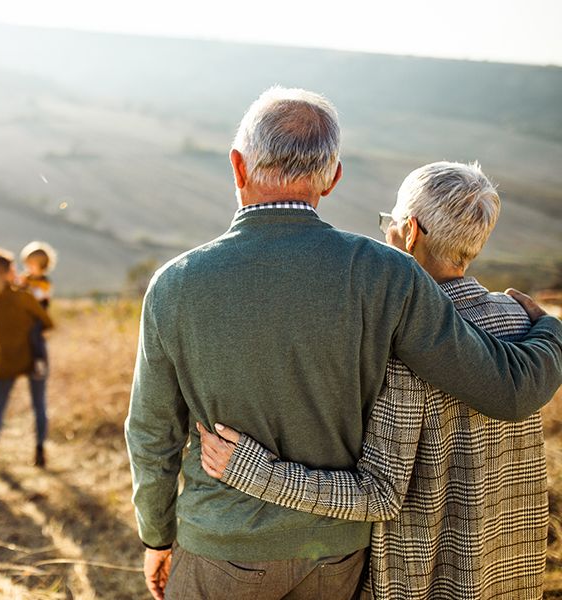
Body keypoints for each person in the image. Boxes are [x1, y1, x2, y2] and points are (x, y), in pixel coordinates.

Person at [124, 87, 562, 600]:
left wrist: (157, 536)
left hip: (221, 547)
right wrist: (548, 328)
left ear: (237, 167)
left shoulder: (176, 283)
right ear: (333, 177)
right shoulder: (386, 274)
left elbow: (153, 433)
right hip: (337, 555)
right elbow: (499, 385)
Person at [199, 161, 551, 599]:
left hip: (425, 580)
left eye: (389, 223)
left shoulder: (400, 345)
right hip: (510, 572)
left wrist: (257, 472)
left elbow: (381, 495)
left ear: (409, 231)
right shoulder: (520, 320)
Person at [0, 247, 53, 468]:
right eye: (12, 268)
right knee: (39, 405)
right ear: (5, 273)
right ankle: (39, 451)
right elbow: (47, 321)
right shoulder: (23, 297)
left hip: (5, 356)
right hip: (34, 355)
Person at [16, 241, 57, 380]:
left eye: (31, 265)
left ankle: (39, 361)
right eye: (27, 264)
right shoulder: (26, 278)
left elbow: (39, 296)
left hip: (38, 315)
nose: (28, 268)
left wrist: (27, 289)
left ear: (42, 266)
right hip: (26, 315)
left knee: (35, 336)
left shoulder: (44, 281)